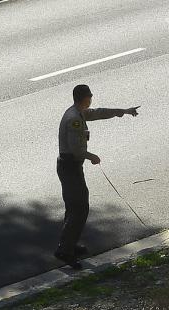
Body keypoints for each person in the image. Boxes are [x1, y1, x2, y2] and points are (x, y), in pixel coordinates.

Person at [55, 84, 140, 269]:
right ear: (85, 98)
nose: (92, 99)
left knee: (74, 207)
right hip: (70, 166)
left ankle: (69, 244)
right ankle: (65, 252)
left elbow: (98, 113)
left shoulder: (78, 112)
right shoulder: (74, 119)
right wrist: (91, 156)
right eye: (90, 96)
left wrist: (123, 111)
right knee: (79, 208)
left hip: (71, 166)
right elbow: (76, 149)